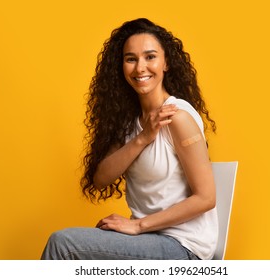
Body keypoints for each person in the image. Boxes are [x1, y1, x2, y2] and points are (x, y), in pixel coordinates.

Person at [41, 18, 218, 260]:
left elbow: (206, 198)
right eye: (130, 59)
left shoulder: (178, 117)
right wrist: (143, 138)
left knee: (64, 244)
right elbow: (101, 178)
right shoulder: (129, 123)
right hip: (148, 239)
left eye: (150, 57)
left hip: (183, 246)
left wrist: (138, 225)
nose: (140, 68)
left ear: (166, 62)